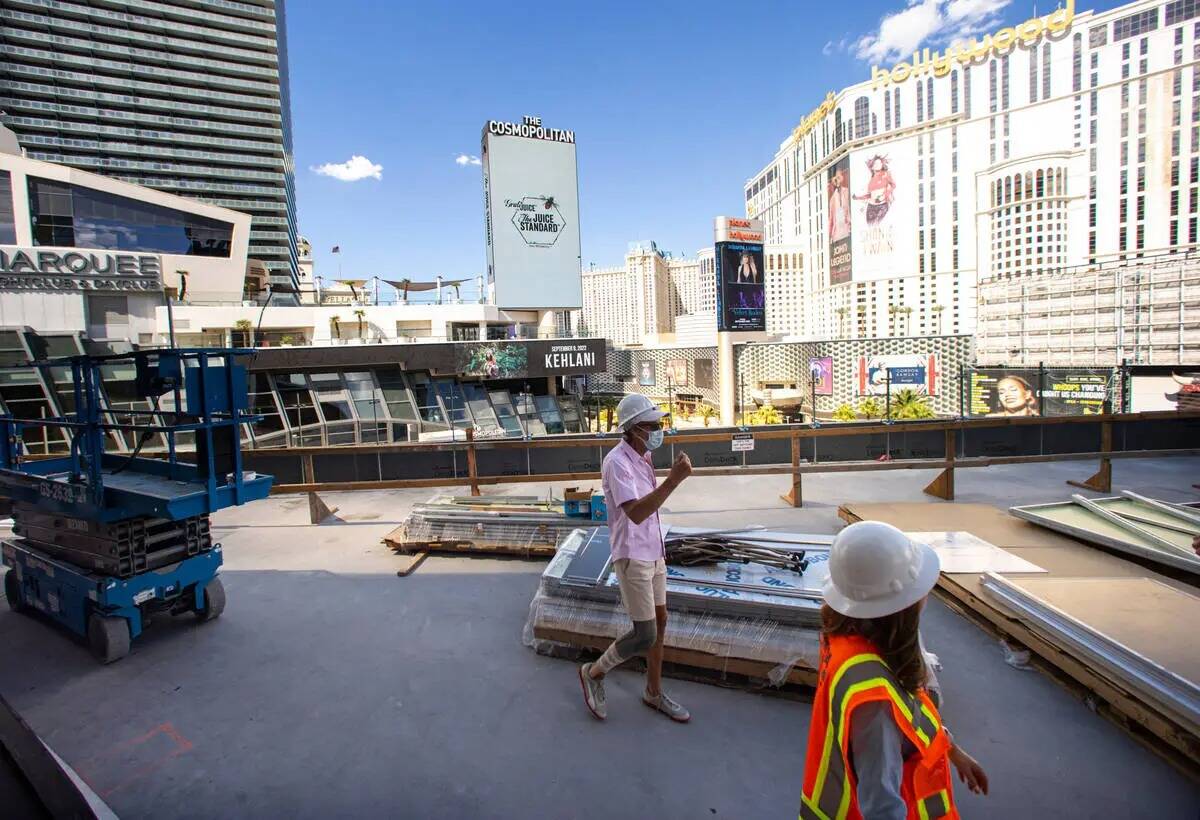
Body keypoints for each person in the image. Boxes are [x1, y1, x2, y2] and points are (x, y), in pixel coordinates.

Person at [800, 521, 988, 820]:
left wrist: (950, 748)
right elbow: (881, 804)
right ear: (903, 602)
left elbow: (909, 717)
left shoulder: (849, 639)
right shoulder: (876, 703)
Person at [578, 393, 693, 723]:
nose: (658, 430)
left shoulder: (641, 458)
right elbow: (638, 512)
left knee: (660, 623)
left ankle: (653, 692)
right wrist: (673, 480)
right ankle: (594, 673)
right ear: (633, 429)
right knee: (645, 634)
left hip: (654, 552)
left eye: (659, 423)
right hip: (632, 557)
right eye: (652, 425)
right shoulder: (617, 463)